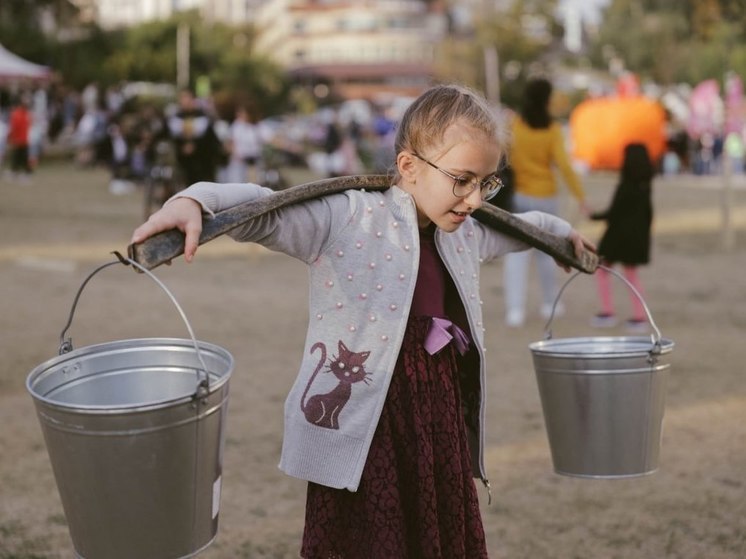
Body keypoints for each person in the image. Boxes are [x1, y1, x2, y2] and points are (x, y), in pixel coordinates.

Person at [131, 84, 594, 558]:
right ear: (409, 166)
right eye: (462, 179)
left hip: (436, 414)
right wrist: (193, 199)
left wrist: (561, 236)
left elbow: (515, 227)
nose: (475, 198)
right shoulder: (348, 216)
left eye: (486, 182)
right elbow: (263, 209)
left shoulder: (465, 233)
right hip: (367, 423)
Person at [502, 78, 589, 327]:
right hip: (546, 197)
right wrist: (581, 197)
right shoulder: (551, 130)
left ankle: (514, 310)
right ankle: (551, 303)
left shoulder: (515, 125)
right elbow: (564, 166)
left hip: (519, 197)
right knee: (547, 254)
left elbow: (505, 158)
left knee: (515, 254)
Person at [590, 143, 654, 331]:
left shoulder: (626, 186)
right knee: (632, 276)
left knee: (602, 270)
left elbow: (614, 213)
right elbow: (648, 216)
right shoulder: (645, 188)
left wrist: (593, 215)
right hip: (635, 240)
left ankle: (607, 311)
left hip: (617, 239)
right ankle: (640, 315)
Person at [167, 88, 223, 187]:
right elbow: (172, 135)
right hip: (183, 160)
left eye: (187, 98)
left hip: (201, 160)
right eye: (182, 98)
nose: (184, 101)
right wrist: (182, 146)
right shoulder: (177, 117)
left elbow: (210, 139)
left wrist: (195, 146)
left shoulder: (203, 117)